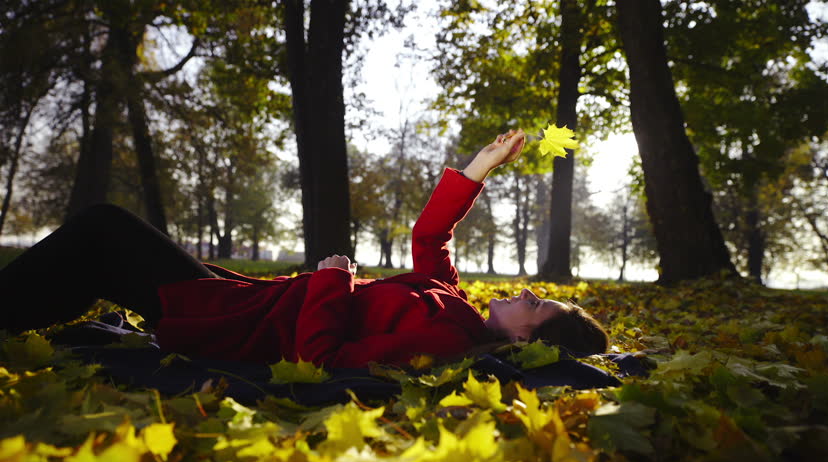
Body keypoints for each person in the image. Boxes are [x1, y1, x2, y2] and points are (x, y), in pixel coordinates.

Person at [0, 129, 608, 367]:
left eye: (536, 306)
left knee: (105, 230)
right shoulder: (453, 301)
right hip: (243, 299)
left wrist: (332, 281)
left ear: (525, 340)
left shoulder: (446, 341)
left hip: (239, 328)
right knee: (95, 254)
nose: (527, 293)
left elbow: (320, 357)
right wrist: (479, 166)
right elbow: (430, 238)